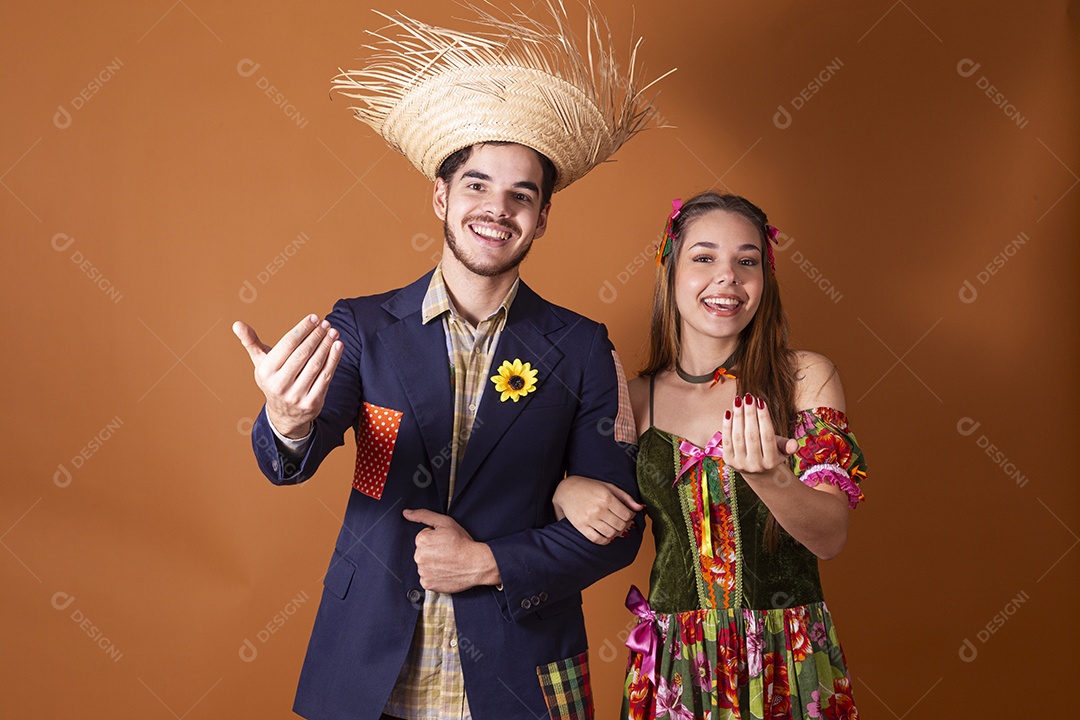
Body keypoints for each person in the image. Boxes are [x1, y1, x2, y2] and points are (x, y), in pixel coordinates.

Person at [232, 3, 667, 719]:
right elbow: (292, 459)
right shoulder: (364, 327)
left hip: (517, 670)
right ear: (440, 194)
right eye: (476, 185)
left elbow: (614, 532)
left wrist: (488, 563)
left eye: (521, 196)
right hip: (367, 666)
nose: (497, 209)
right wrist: (285, 419)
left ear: (542, 217)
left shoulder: (584, 346)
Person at [555, 192, 867, 718]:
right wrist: (565, 489)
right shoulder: (631, 398)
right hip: (676, 665)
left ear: (764, 279)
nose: (727, 278)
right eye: (704, 258)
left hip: (787, 660)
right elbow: (588, 517)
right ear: (670, 269)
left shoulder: (804, 378)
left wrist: (773, 478)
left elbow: (831, 535)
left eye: (746, 262)